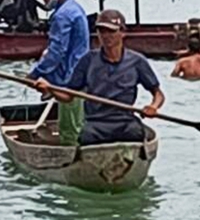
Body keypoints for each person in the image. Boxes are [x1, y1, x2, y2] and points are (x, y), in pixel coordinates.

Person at [35, 9, 165, 146]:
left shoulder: (137, 61)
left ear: (122, 32)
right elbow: (68, 96)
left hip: (125, 122)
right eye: (101, 31)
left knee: (136, 133)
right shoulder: (88, 60)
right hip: (96, 124)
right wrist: (49, 88)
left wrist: (153, 107)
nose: (106, 36)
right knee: (86, 136)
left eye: (111, 31)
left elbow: (158, 94)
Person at [26, 0, 91, 146]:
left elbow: (57, 52)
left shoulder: (62, 15)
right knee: (78, 121)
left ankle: (71, 160)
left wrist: (34, 74)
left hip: (70, 80)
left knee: (70, 130)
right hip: (80, 75)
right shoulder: (75, 8)